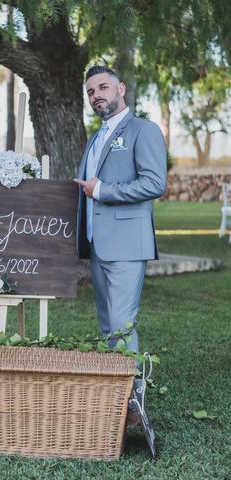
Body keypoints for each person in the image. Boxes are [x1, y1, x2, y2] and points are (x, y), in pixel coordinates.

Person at [73, 66, 167, 353]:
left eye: (103, 87)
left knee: (121, 325)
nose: (96, 95)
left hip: (126, 244)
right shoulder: (94, 138)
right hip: (96, 245)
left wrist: (102, 190)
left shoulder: (143, 130)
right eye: (90, 91)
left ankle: (133, 396)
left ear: (121, 89)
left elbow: (154, 184)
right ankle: (112, 395)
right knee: (106, 327)